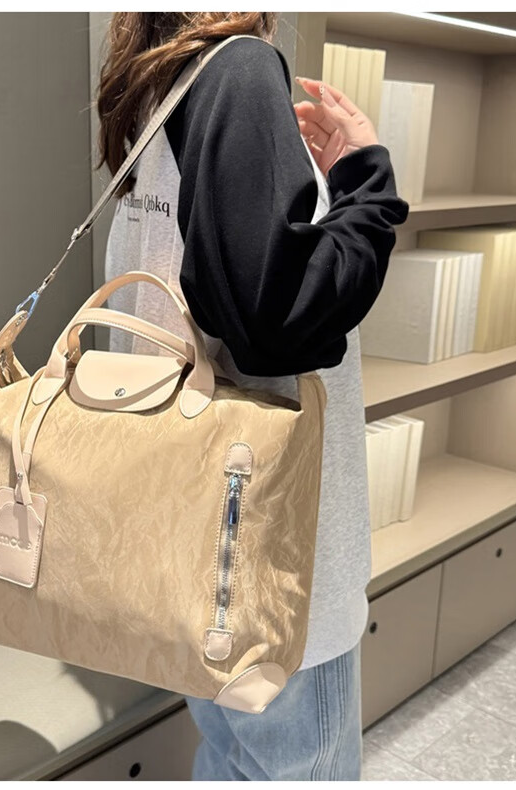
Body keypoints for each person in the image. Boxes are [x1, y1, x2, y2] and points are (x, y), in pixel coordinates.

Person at [95, 12, 410, 781]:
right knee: (298, 766)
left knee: (234, 755)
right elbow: (280, 320)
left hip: (189, 527)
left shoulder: (154, 85)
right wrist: (365, 183)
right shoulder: (238, 68)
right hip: (272, 550)